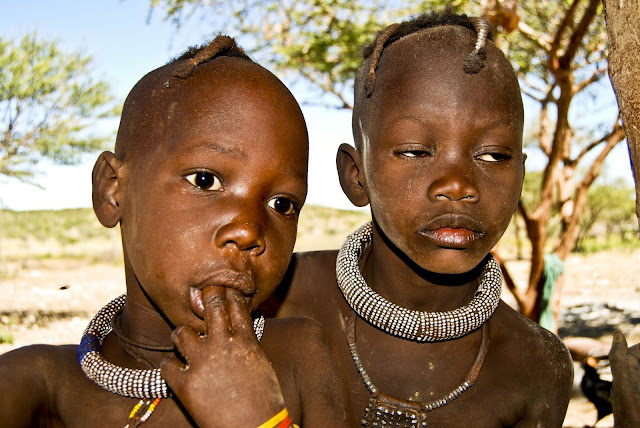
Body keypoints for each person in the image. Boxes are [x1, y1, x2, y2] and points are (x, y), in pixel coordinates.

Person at [0, 35, 351, 427]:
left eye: (281, 205)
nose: (249, 230)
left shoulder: (299, 357)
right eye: (205, 180)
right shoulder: (42, 384)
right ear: (112, 191)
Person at [272, 11, 574, 427]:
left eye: (493, 155)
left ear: (520, 176)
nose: (456, 184)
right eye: (415, 151)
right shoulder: (274, 300)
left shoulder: (536, 364)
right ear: (356, 177)